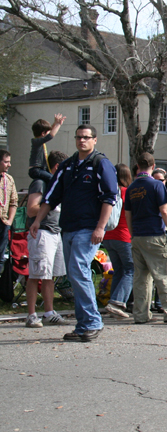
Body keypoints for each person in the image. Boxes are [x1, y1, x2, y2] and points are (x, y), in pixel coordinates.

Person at [30, 125, 117, 342]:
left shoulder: (100, 163)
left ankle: (92, 322)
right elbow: (51, 197)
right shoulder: (67, 166)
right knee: (74, 274)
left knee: (78, 269)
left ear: (94, 140)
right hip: (67, 228)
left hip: (89, 228)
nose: (82, 141)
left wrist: (100, 227)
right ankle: (83, 325)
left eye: (86, 137)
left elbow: (109, 197)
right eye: (79, 137)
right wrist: (37, 220)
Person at [126, 153, 167, 324]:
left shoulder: (132, 188)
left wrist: (133, 234)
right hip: (155, 234)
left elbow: (128, 214)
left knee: (141, 278)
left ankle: (141, 314)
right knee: (165, 273)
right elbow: (164, 210)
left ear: (138, 167)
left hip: (138, 236)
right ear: (153, 166)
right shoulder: (156, 185)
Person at [24, 150, 70, 328]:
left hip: (55, 232)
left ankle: (49, 312)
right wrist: (49, 205)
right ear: (57, 167)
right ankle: (31, 314)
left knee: (49, 275)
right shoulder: (40, 183)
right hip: (42, 232)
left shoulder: (55, 184)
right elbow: (31, 209)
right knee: (36, 274)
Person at [103, 164, 135, 319]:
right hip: (124, 235)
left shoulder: (110, 191)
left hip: (108, 236)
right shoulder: (127, 192)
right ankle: (117, 302)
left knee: (118, 271)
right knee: (130, 269)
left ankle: (112, 302)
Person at [28, 113, 66, 183]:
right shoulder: (36, 141)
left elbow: (49, 131)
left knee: (51, 179)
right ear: (43, 133)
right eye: (47, 132)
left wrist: (55, 123)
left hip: (41, 169)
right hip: (36, 170)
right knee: (53, 179)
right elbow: (51, 135)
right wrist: (59, 125)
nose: (49, 132)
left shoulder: (39, 141)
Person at [0, 149, 18, 265]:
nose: (9, 165)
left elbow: (13, 202)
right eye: (6, 162)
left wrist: (9, 221)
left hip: (3, 222)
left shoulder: (9, 179)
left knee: (1, 257)